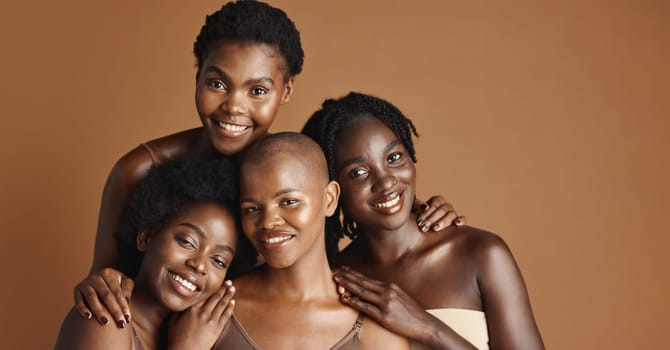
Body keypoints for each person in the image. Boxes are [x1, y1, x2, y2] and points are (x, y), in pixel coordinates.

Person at [75, 0, 463, 328]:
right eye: (217, 84)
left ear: (286, 89)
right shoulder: (140, 170)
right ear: (198, 76)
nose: (234, 107)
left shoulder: (296, 164)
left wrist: (419, 214)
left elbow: (363, 206)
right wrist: (98, 285)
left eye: (258, 90)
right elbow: (106, 281)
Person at [302, 92, 544, 349]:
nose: (386, 182)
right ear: (331, 190)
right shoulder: (335, 279)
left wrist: (426, 327)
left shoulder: (480, 253)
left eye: (394, 158)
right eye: (358, 172)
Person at [212, 133, 410, 349]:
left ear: (330, 199)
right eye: (252, 209)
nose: (268, 222)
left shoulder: (375, 331)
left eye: (288, 201)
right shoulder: (214, 312)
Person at [56, 157, 242, 349]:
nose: (200, 265)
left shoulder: (200, 333)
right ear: (146, 238)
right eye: (187, 242)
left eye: (219, 261)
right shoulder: (104, 320)